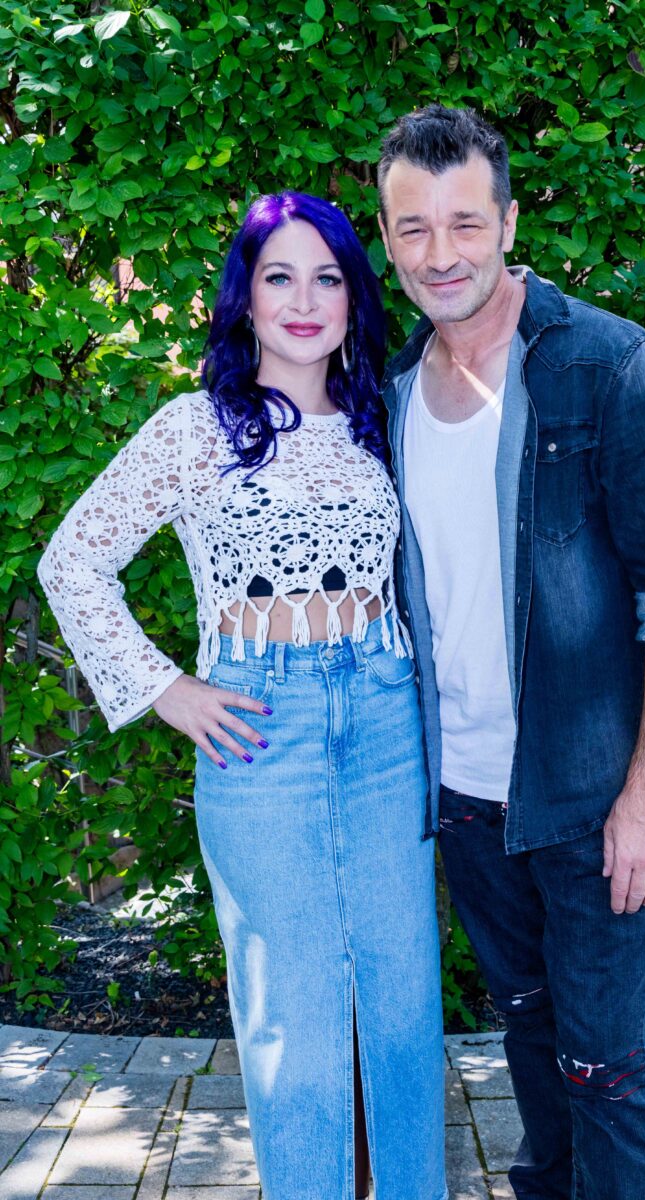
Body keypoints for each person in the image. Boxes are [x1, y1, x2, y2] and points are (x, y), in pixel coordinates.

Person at [37, 191, 447, 1200]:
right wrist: (166, 689)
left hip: (384, 715)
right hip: (259, 728)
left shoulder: (386, 420)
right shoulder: (194, 428)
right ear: (246, 299)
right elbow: (73, 561)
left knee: (402, 1001)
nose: (304, 302)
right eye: (279, 278)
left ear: (353, 298)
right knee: (290, 1012)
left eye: (327, 278)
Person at [376, 105, 645, 1200]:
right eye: (414, 227)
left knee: (606, 1072)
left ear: (510, 224)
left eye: (465, 224)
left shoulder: (610, 368)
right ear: (387, 238)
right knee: (530, 1036)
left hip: (590, 802)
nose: (440, 254)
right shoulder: (390, 392)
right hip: (466, 803)